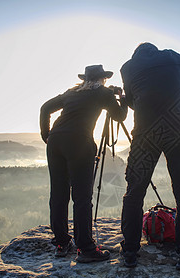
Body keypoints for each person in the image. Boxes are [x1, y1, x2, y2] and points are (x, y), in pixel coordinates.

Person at [119, 42, 180, 271]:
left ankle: (130, 253)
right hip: (178, 131)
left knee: (134, 194)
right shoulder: (170, 56)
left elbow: (134, 101)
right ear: (154, 51)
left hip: (146, 134)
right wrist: (175, 62)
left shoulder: (127, 68)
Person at [40, 65, 127, 263]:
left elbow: (45, 108)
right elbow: (119, 116)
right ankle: (85, 248)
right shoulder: (103, 93)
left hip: (55, 142)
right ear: (103, 79)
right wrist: (120, 97)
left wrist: (47, 135)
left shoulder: (72, 92)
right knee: (81, 197)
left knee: (59, 194)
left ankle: (62, 243)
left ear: (85, 79)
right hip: (79, 143)